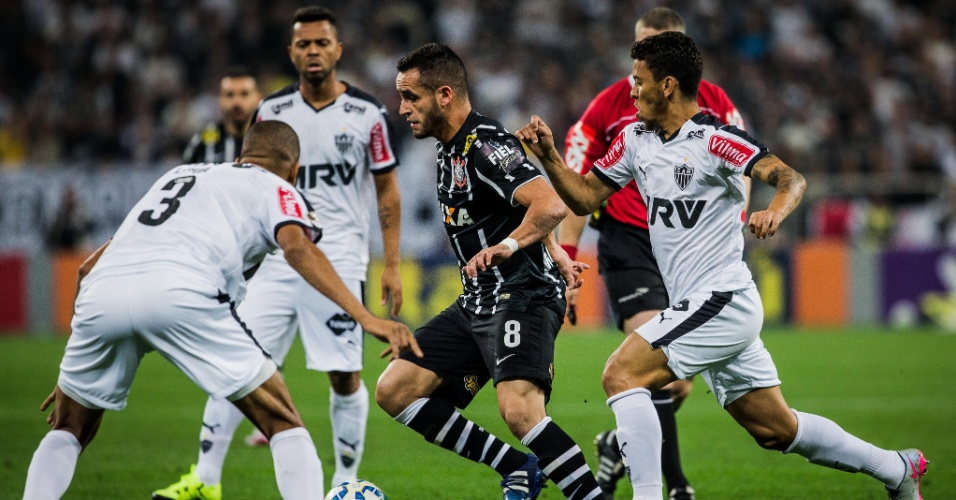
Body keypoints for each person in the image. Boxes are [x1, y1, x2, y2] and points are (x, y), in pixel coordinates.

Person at [517, 31, 926, 500]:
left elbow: (790, 177)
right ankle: (897, 469)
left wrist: (775, 210)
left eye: (638, 80)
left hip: (722, 298)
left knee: (620, 373)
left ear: (667, 85)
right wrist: (549, 156)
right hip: (702, 305)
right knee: (776, 429)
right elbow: (587, 196)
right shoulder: (634, 139)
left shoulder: (715, 140)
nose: (631, 90)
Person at [22, 120, 420, 500]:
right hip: (182, 289)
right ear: (294, 170)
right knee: (281, 421)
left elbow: (88, 266)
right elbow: (298, 247)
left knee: (71, 428)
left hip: (102, 292)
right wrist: (366, 317)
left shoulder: (177, 177)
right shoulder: (275, 187)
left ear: (241, 155)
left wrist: (74, 373)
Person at [154, 6, 405, 498]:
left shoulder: (367, 115)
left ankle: (345, 481)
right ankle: (204, 480)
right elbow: (246, 187)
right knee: (235, 364)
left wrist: (391, 263)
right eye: (303, 44)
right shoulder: (269, 112)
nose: (313, 51)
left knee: (344, 373)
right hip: (272, 262)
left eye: (321, 43)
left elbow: (388, 191)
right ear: (291, 52)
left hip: (337, 260)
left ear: (338, 50)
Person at [374, 42, 603, 500]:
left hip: (524, 293)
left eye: (410, 97)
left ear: (444, 94)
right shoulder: (448, 151)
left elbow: (550, 202)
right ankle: (517, 467)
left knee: (519, 409)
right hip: (477, 301)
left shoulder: (486, 146)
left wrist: (511, 245)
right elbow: (518, 204)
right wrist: (554, 249)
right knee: (396, 389)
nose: (401, 109)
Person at [561, 8, 749, 498]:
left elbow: (745, 167)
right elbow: (579, 188)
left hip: (692, 252)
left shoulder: (716, 107)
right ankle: (677, 486)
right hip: (628, 243)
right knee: (644, 370)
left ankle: (616, 444)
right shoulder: (608, 108)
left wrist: (739, 219)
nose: (642, 67)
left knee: (677, 384)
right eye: (641, 48)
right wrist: (566, 254)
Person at [182, 66, 261, 164]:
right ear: (220, 99)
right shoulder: (202, 140)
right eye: (229, 95)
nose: (236, 102)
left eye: (244, 94)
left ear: (258, 98)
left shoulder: (269, 140)